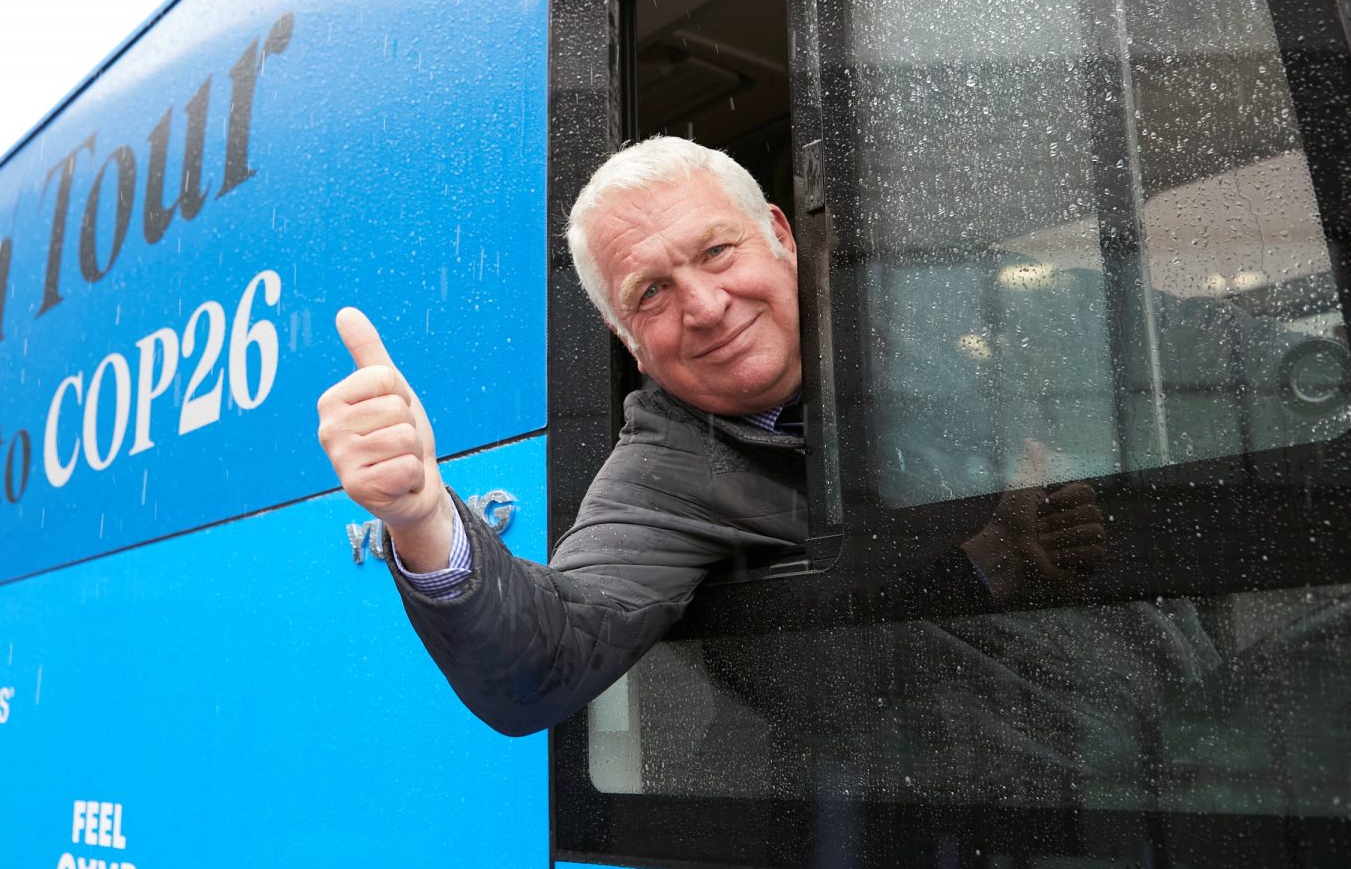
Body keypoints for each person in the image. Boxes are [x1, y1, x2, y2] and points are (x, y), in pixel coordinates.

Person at [316, 137, 1106, 737]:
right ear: (630, 341)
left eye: (717, 251)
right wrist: (421, 519)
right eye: (651, 292)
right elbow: (536, 665)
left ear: (780, 235)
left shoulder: (938, 321)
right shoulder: (666, 468)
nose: (704, 305)